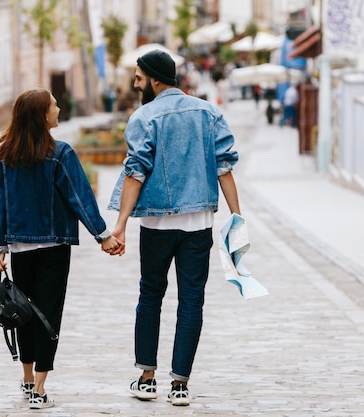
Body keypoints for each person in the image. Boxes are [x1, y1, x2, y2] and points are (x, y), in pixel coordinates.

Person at [0, 88, 123, 409]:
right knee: (47, 316)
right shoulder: (60, 153)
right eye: (54, 105)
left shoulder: (6, 155)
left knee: (24, 314)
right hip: (54, 245)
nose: (58, 108)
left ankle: (28, 380)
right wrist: (103, 235)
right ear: (42, 116)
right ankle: (40, 389)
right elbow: (79, 196)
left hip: (20, 249)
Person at [107, 50, 241, 406]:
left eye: (137, 78)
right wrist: (236, 216)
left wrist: (119, 225)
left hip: (156, 223)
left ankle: (148, 378)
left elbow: (135, 173)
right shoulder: (208, 112)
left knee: (150, 295)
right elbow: (224, 167)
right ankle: (180, 385)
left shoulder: (144, 117)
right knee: (191, 301)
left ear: (153, 79)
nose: (135, 84)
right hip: (198, 223)